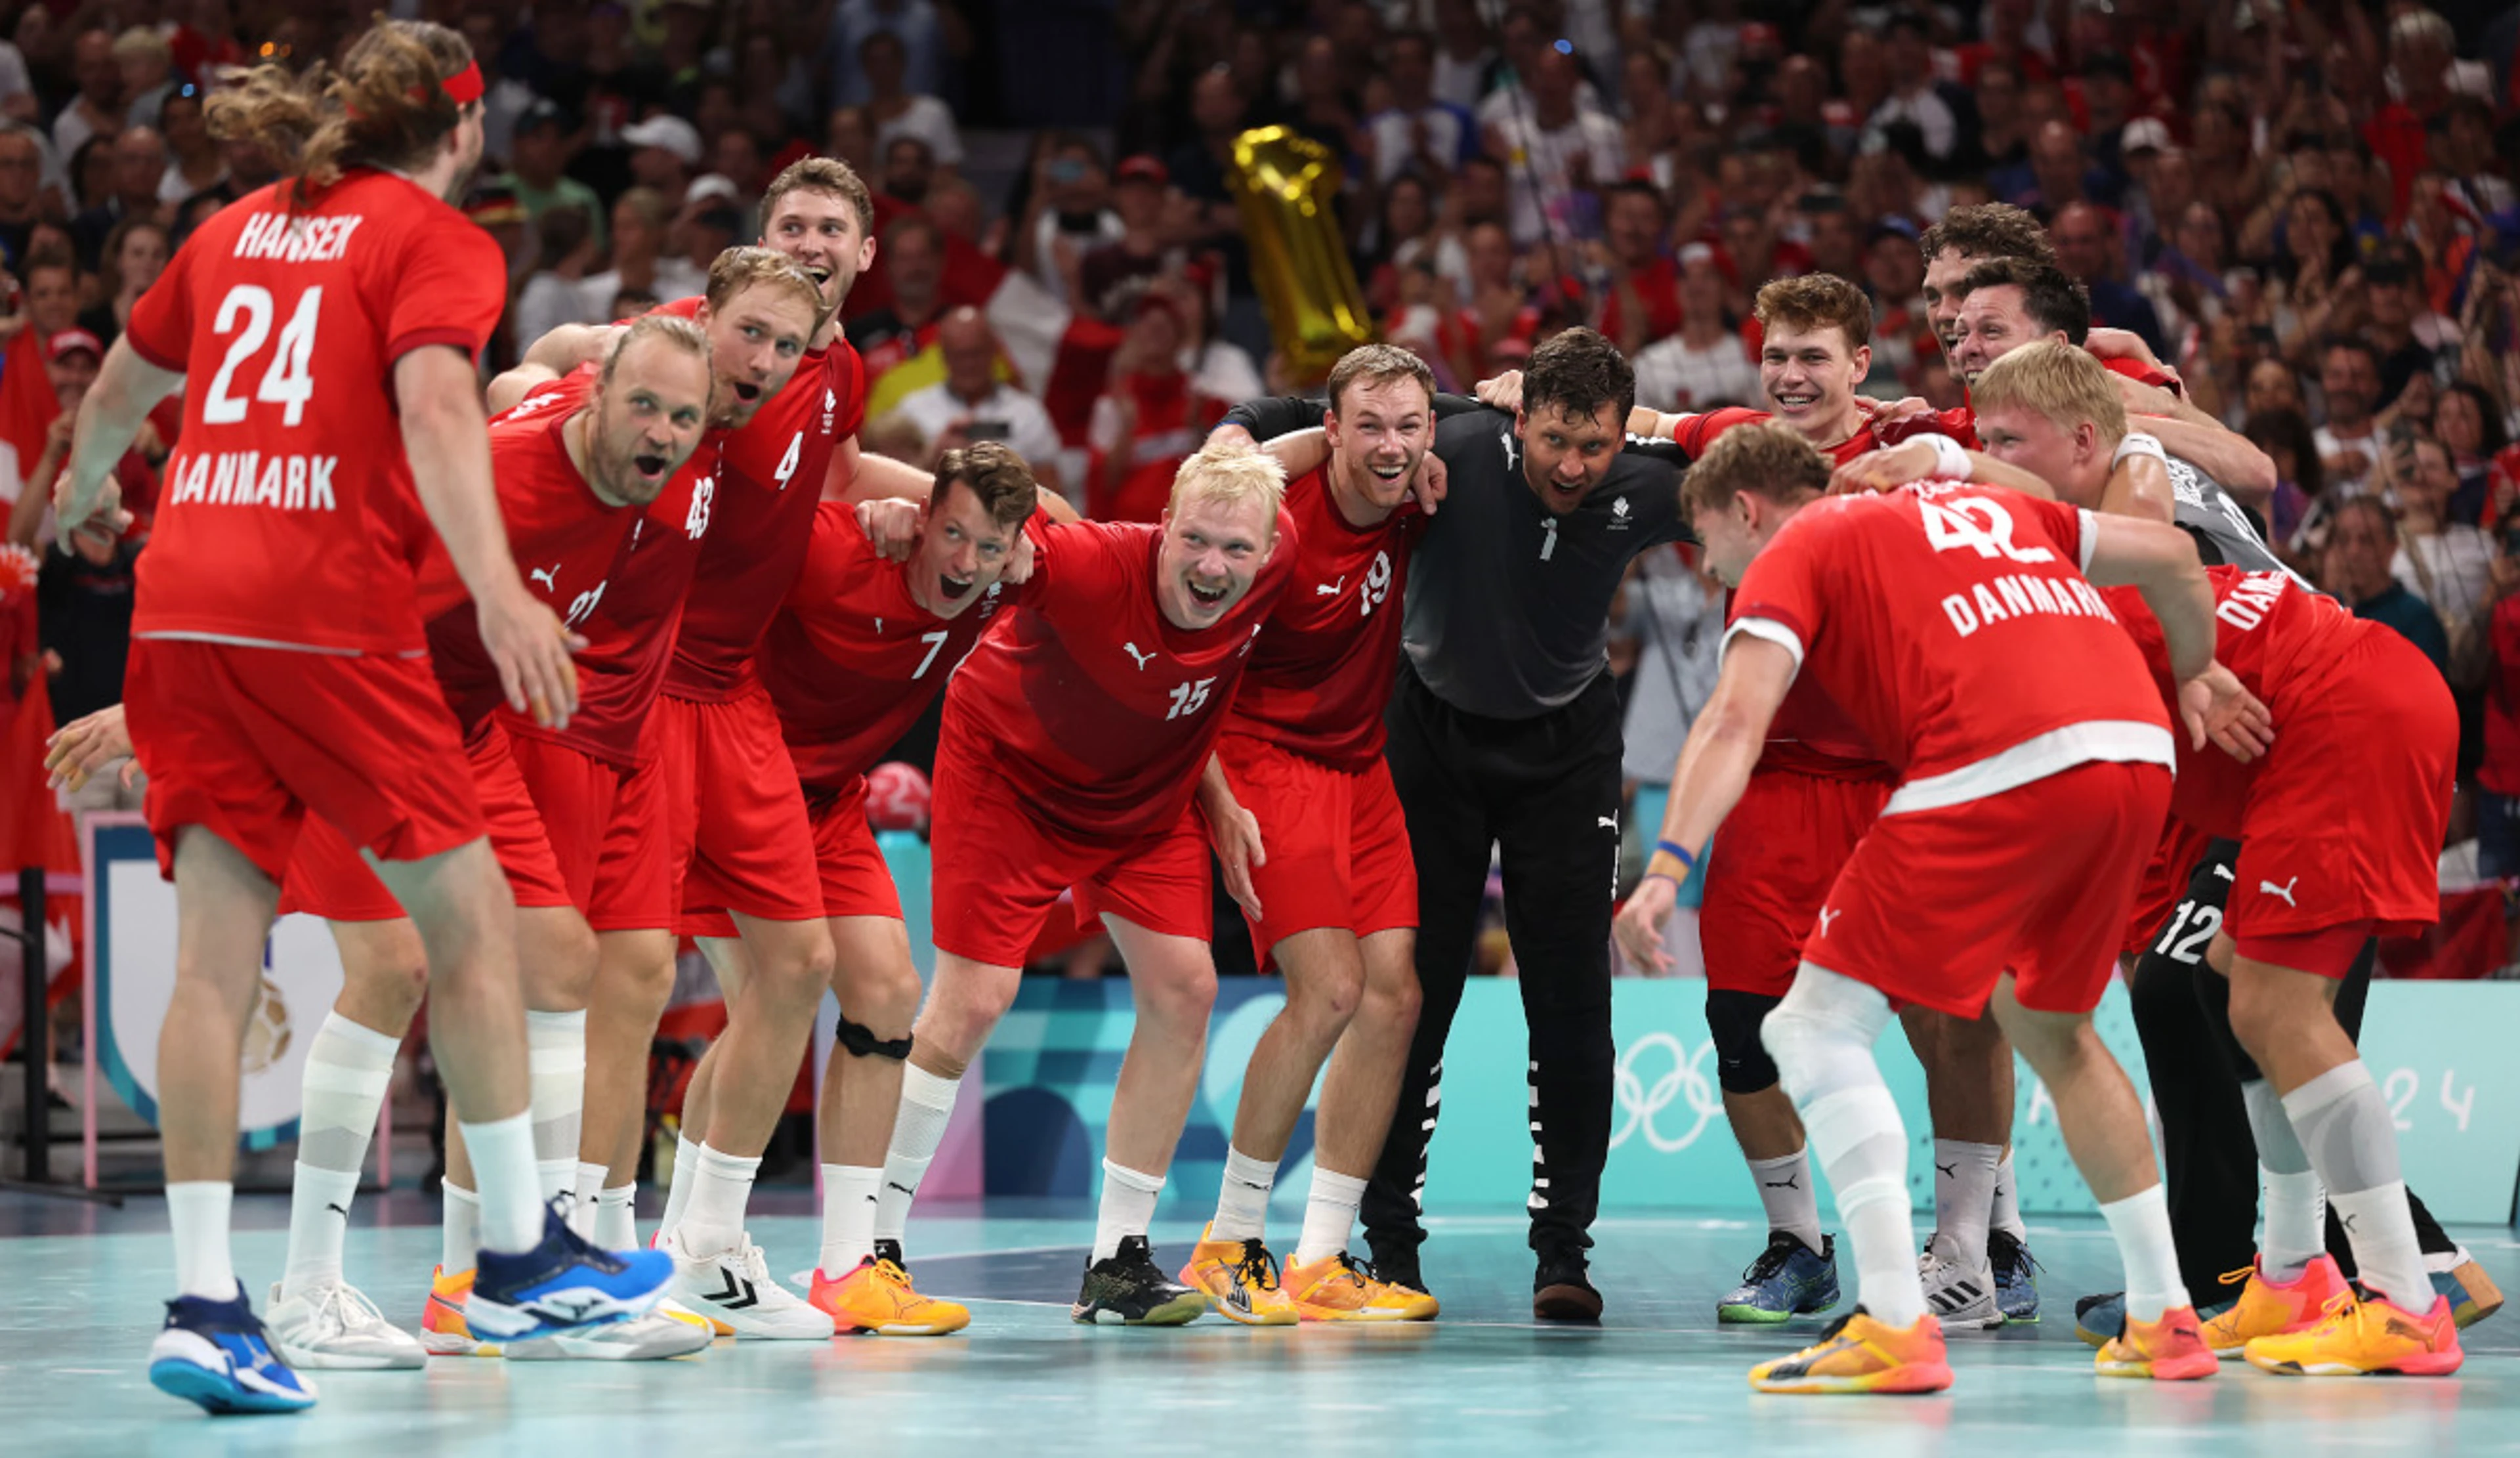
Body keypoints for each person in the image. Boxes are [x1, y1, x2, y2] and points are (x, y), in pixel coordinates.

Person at [48, 20, 666, 1414]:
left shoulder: (232, 228)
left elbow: (124, 388)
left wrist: (81, 493)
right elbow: (441, 411)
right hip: (324, 607)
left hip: (181, 604)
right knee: (475, 926)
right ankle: (515, 1262)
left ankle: (206, 1306)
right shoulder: (435, 239)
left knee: (215, 966)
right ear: (463, 128)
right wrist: (502, 597)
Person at [1615, 417, 2237, 1394]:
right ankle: (2167, 1318)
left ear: (1746, 509)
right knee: (2056, 1030)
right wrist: (2197, 669)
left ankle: (1895, 1322)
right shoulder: (1987, 509)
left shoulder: (1801, 542)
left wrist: (1664, 869)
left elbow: (1735, 719)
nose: (1712, 569)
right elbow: (2173, 556)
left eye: (1709, 543)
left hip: (1999, 755)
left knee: (1811, 1027)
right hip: (2134, 748)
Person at [1969, 355, 2467, 1379]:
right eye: (1986, 445)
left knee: (2278, 1007)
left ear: (2084, 443)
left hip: (2346, 713)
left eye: (2009, 441)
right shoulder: (2085, 551)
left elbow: (2163, 548)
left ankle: (2407, 1301)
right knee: (2236, 982)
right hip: (2333, 714)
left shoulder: (2101, 550)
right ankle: (2289, 1275)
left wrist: (2194, 666)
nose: (1992, 462)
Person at [273, 313, 724, 1368]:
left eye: (683, 417)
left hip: (464, 730)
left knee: (560, 959)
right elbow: (338, 577)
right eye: (644, 405)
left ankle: (534, 1275)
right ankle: (304, 1288)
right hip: (365, 706)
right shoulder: (506, 475)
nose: (661, 432)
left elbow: (548, 357)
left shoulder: (647, 488)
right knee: (392, 969)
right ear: (597, 395)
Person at [1223, 328, 1690, 1320]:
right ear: (1520, 420)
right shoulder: (1455, 439)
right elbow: (1294, 415)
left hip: (1568, 751)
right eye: (1555, 439)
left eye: (1596, 445)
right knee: (1408, 997)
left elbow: (1767, 465)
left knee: (1572, 1002)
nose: (1573, 466)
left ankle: (1564, 1252)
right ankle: (1389, 1246)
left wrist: (1671, 428)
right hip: (1428, 739)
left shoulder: (1648, 482)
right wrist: (1231, 440)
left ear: (1624, 435)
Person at [873, 440, 1297, 1327]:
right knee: (975, 999)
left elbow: (1322, 441)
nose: (1212, 566)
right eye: (1194, 540)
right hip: (1011, 776)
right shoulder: (1087, 563)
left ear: (1266, 549)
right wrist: (891, 507)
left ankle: (1117, 1262)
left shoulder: (1271, 555)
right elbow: (998, 526)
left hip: (1144, 796)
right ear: (1164, 526)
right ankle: (871, 1248)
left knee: (1185, 990)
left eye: (1235, 549)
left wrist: (1218, 798)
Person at [749, 442, 1051, 1334]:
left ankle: (848, 1269)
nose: (964, 561)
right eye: (951, 533)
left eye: (989, 546)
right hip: (741, 779)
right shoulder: (839, 547)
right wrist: (873, 498)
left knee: (887, 996)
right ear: (921, 518)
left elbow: (1070, 525)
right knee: (762, 1001)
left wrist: (1026, 545)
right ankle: (696, 1245)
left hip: (832, 799)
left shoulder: (997, 584)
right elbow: (741, 538)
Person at [1187, 345, 1443, 1323]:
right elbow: (1192, 658)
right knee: (1330, 988)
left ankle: (1323, 1257)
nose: (1390, 446)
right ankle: (1229, 1240)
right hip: (1262, 756)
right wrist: (1217, 797)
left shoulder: (1416, 492)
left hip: (1361, 764)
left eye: (1408, 427)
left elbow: (1489, 419)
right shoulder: (1277, 526)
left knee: (1393, 997)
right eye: (1367, 426)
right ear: (1329, 430)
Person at [892, 307, 1064, 501]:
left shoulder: (1027, 413)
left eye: (976, 353)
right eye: (959, 355)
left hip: (1009, 513)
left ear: (993, 350)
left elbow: (1052, 495)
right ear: (943, 355)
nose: (968, 364)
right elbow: (894, 487)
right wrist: (932, 460)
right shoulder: (912, 411)